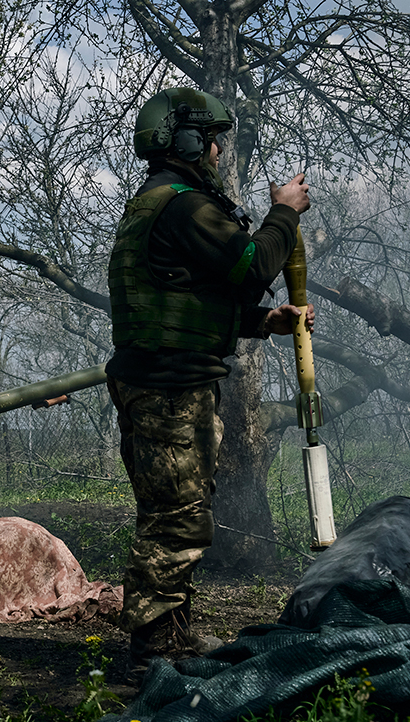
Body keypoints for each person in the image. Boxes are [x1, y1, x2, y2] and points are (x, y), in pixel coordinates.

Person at [106, 88, 313, 681]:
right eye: (214, 140)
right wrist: (285, 211)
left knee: (178, 510)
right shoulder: (184, 205)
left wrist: (260, 322)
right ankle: (152, 653)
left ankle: (170, 632)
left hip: (161, 380)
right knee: (176, 518)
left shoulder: (154, 204)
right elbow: (252, 262)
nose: (220, 152)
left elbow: (177, 300)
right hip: (169, 388)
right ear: (191, 141)